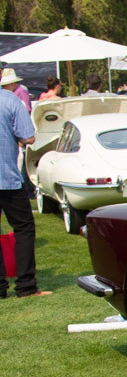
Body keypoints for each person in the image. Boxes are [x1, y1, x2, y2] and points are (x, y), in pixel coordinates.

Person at [0, 80, 49, 298]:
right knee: (24, 228)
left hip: (7, 177)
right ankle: (26, 285)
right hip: (7, 178)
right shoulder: (10, 100)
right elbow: (28, 136)